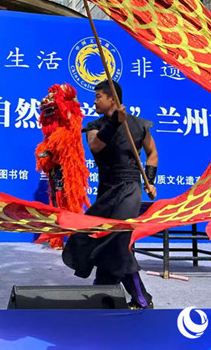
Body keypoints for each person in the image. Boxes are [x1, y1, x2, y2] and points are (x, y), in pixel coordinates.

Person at [62, 79, 158, 309]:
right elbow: (96, 146)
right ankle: (104, 292)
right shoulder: (95, 126)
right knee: (99, 240)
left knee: (118, 241)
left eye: (98, 97)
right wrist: (115, 122)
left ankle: (142, 299)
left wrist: (150, 180)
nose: (94, 101)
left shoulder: (139, 125)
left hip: (130, 189)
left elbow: (152, 153)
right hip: (107, 191)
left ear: (112, 98)